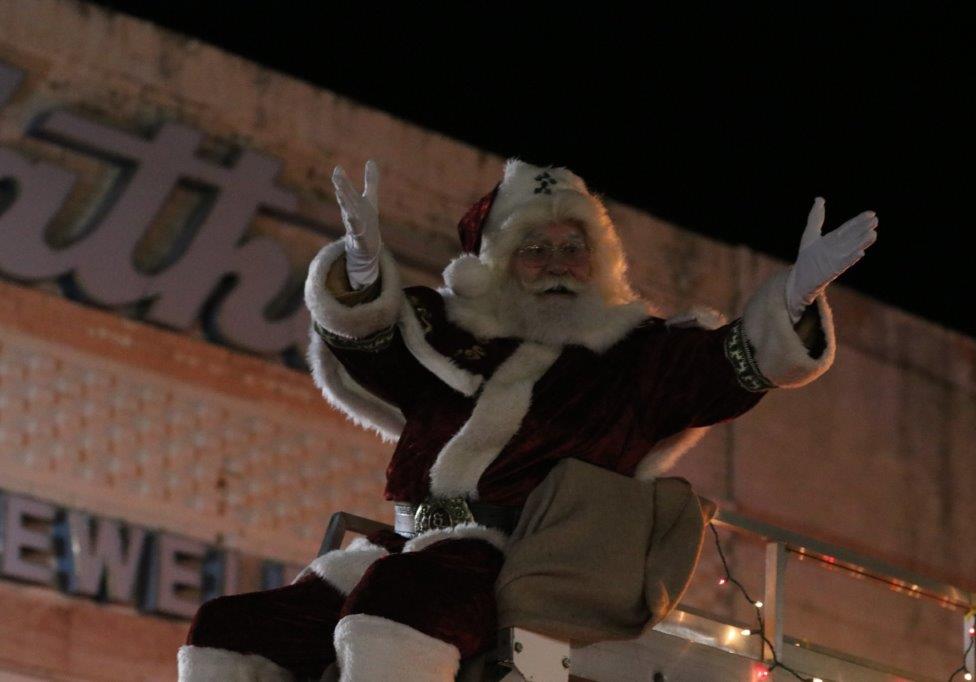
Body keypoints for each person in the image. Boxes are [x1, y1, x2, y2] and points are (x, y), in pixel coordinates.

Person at [178, 158, 878, 681]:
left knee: (399, 601)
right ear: (502, 264)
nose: (555, 265)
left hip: (520, 562)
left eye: (573, 248)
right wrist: (362, 275)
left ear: (600, 260)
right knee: (234, 627)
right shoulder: (452, 336)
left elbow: (731, 365)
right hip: (400, 549)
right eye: (533, 250)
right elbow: (377, 353)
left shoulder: (637, 359)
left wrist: (792, 295)